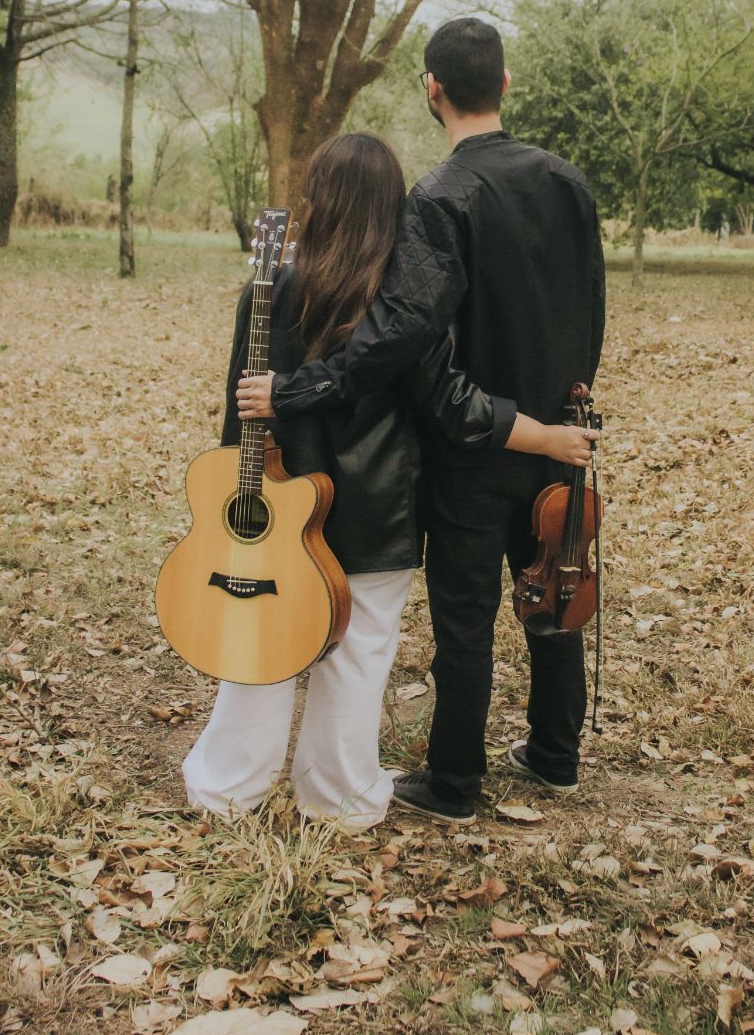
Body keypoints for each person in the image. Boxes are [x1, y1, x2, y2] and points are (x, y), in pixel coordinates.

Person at [182, 131, 596, 829]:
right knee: (359, 653)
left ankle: (229, 786)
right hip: (378, 511)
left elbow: (242, 414)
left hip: (273, 505)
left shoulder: (271, 291)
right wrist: (539, 433)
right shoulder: (407, 306)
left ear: (318, 200)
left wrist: (235, 505)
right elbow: (445, 402)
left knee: (260, 643)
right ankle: (339, 797)